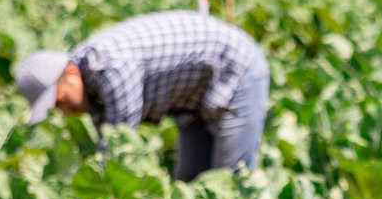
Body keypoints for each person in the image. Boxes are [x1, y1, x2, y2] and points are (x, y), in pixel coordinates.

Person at [15, 10, 270, 181]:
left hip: (236, 72)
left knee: (229, 182)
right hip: (193, 99)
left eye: (60, 100)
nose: (63, 110)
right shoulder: (89, 77)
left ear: (70, 73)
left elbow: (119, 145)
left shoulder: (110, 67)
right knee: (191, 180)